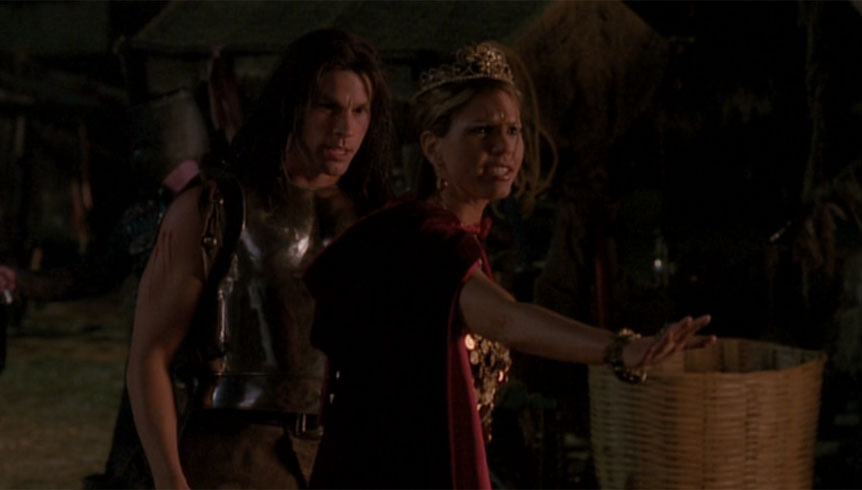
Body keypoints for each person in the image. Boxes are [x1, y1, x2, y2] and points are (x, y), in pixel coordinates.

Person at [303, 41, 715, 489]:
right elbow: (507, 319)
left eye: (513, 130)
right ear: (434, 148)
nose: (504, 147)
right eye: (482, 131)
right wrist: (621, 350)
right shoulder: (425, 239)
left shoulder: (462, 238)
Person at [126, 29, 393, 489]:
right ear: (292, 106)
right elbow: (150, 355)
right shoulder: (216, 206)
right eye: (327, 106)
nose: (344, 128)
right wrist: (171, 481)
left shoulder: (379, 218)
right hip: (236, 453)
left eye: (359, 110)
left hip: (346, 450)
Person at [0, 88, 209, 489]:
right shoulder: (144, 217)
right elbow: (90, 275)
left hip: (205, 383)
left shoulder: (221, 213)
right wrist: (22, 281)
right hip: (149, 372)